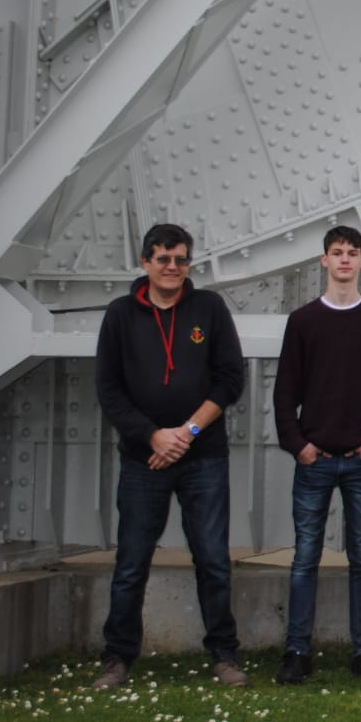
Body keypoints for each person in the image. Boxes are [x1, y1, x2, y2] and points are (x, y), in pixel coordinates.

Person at [91, 223, 248, 690]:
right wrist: (153, 437)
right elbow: (109, 389)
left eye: (180, 259)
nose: (172, 267)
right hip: (144, 460)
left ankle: (224, 655)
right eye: (163, 259)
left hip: (204, 458)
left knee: (214, 560)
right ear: (145, 263)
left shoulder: (210, 308)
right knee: (132, 562)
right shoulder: (120, 315)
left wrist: (186, 432)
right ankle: (117, 658)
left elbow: (229, 379)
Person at [273, 225, 361, 684]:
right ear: (324, 261)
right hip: (315, 458)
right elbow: (285, 390)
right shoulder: (304, 321)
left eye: (353, 253)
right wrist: (298, 445)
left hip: (360, 460)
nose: (345, 260)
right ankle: (296, 651)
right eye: (336, 253)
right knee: (305, 556)